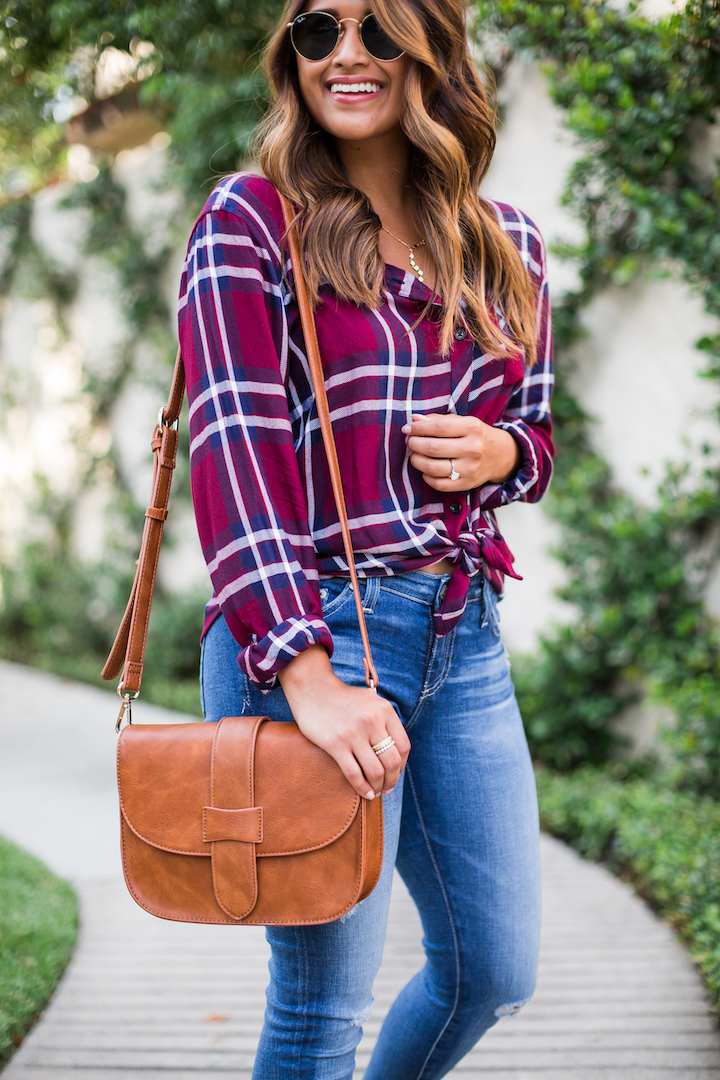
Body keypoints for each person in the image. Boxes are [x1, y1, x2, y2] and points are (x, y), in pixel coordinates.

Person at [178, 0, 554, 1076]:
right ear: (290, 57)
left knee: (493, 973)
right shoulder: (253, 220)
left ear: (430, 47)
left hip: (460, 634)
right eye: (316, 29)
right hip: (309, 638)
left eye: (377, 30)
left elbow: (535, 435)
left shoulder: (507, 241)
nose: (346, 53)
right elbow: (235, 457)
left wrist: (502, 456)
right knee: (319, 1009)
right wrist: (306, 675)